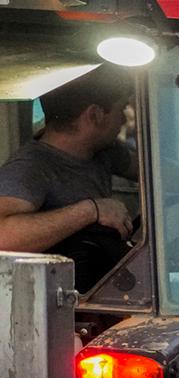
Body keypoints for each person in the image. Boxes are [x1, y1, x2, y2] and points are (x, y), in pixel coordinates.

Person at [0, 65, 135, 289]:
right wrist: (92, 210)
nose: (123, 118)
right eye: (121, 108)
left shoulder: (105, 151)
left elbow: (156, 173)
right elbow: (3, 236)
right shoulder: (30, 168)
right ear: (96, 114)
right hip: (56, 308)